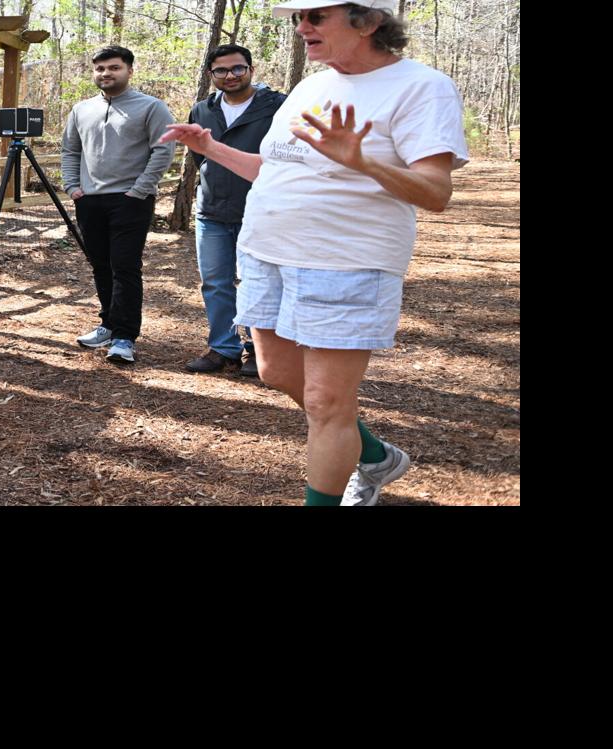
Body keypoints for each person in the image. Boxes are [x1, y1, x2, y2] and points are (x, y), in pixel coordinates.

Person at [160, 1, 468, 505]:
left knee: (326, 401)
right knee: (276, 373)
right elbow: (274, 168)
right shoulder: (311, 86)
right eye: (300, 17)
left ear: (368, 22)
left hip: (346, 260)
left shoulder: (421, 86)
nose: (302, 28)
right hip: (266, 250)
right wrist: (210, 147)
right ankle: (374, 455)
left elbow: (436, 192)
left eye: (316, 17)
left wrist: (362, 161)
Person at [61, 45, 176, 365]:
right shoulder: (81, 110)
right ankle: (109, 324)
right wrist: (72, 186)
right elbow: (70, 151)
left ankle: (125, 336)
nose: (105, 73)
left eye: (113, 67)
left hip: (130, 199)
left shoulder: (152, 107)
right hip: (89, 200)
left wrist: (140, 189)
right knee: (100, 264)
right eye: (99, 68)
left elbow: (163, 150)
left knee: (124, 266)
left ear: (129, 70)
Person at [182, 44, 286, 376]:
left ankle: (259, 349)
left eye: (238, 68)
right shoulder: (202, 110)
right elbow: (202, 159)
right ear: (211, 75)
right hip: (212, 210)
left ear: (251, 70)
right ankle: (223, 348)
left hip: (262, 210)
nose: (230, 76)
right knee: (215, 281)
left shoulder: (277, 106)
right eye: (222, 71)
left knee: (260, 282)